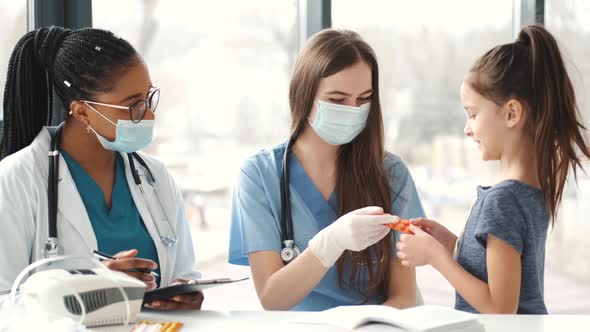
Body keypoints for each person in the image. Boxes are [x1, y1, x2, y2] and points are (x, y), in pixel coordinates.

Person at [0, 26, 202, 310]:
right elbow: (4, 303)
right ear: (82, 111)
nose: (150, 114)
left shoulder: (155, 177)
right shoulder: (16, 180)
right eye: (134, 105)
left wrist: (185, 294)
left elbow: (184, 271)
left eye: (148, 97)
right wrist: (90, 290)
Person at [396, 25, 590, 314]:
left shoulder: (503, 201)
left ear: (512, 113)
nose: (467, 129)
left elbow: (501, 308)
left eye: (473, 114)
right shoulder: (528, 192)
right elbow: (501, 275)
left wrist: (436, 257)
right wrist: (452, 246)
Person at [228, 29, 425, 311]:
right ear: (303, 94)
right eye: (337, 99)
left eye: (363, 99)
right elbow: (272, 299)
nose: (353, 110)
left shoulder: (390, 173)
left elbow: (403, 298)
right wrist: (331, 242)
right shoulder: (259, 175)